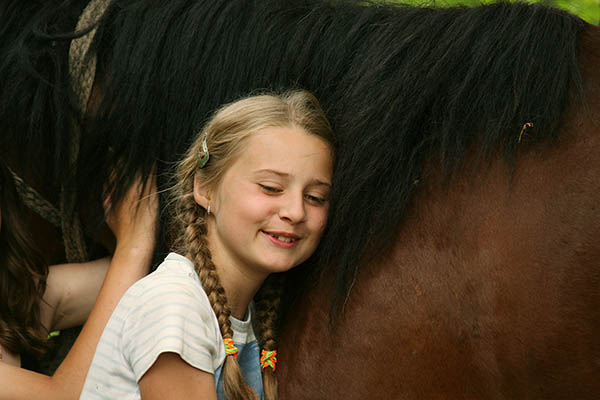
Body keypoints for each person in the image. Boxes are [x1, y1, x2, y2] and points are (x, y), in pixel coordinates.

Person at [80, 90, 334, 400]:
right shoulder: (175, 305)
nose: (295, 211)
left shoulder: (247, 317)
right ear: (205, 189)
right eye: (271, 188)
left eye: (315, 197)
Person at [0, 164, 158, 400]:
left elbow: (133, 276)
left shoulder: (16, 298)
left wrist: (134, 217)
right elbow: (61, 395)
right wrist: (133, 245)